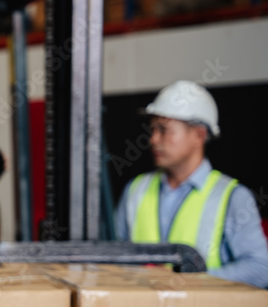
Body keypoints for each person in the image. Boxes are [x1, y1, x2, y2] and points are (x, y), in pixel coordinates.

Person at [115, 80, 268, 288]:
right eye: (152, 130)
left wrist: (190, 281)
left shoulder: (231, 197)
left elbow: (260, 268)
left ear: (198, 135)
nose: (153, 139)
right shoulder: (136, 190)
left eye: (164, 130)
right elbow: (113, 258)